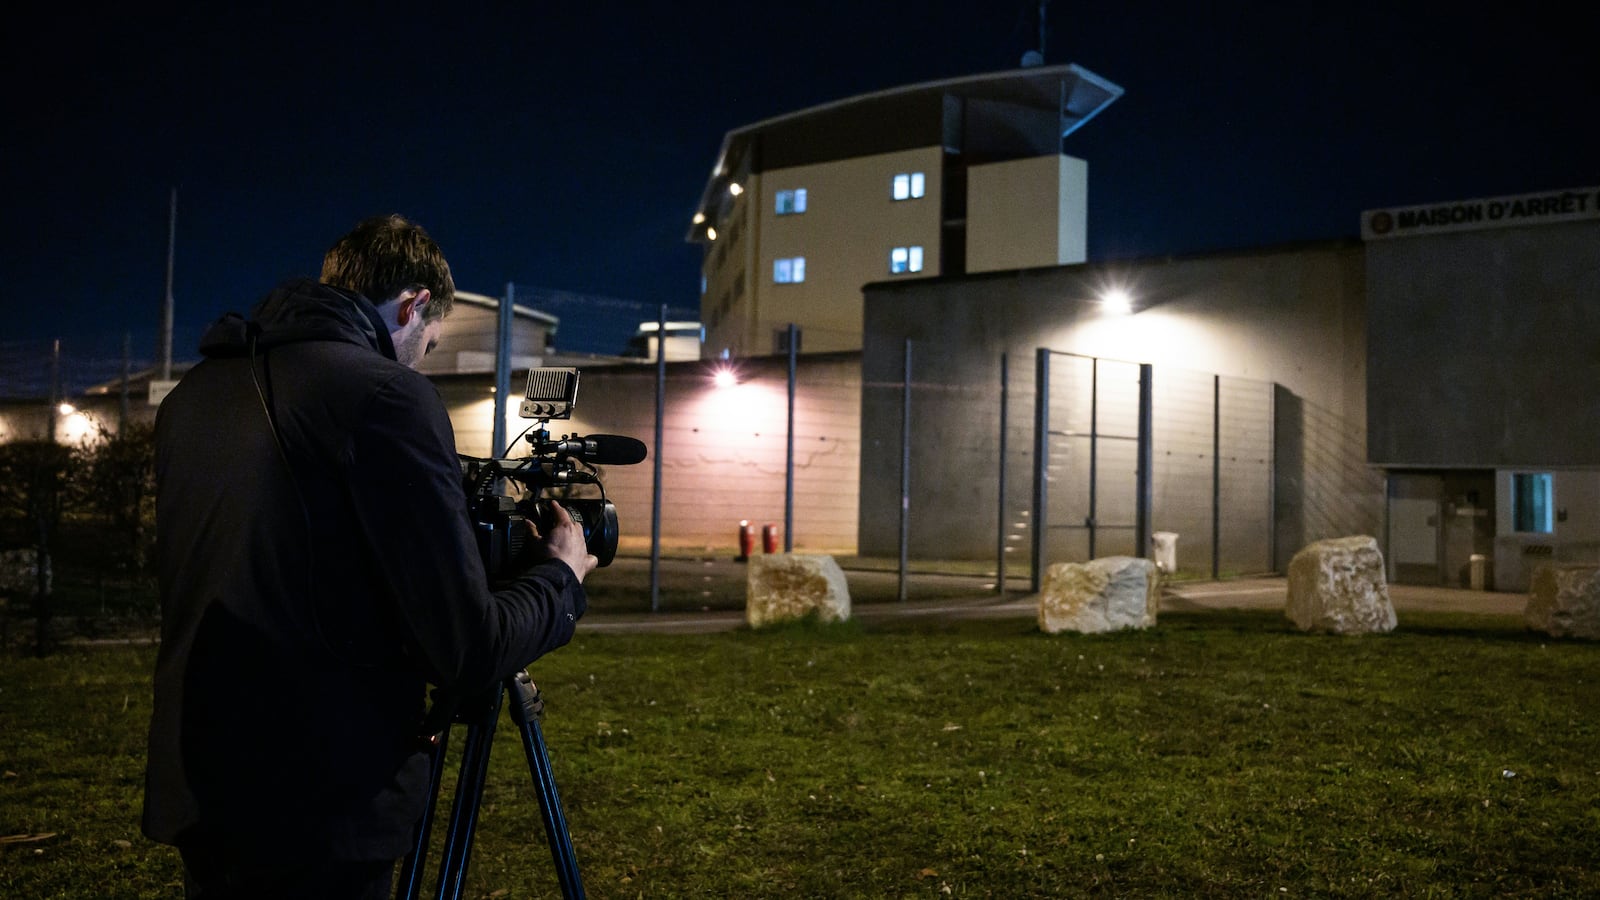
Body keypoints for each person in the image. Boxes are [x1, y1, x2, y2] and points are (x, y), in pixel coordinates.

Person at [142, 214, 596, 899]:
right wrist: (560, 576)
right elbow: (467, 648)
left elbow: (287, 563)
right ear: (414, 305)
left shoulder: (194, 396)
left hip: (201, 779)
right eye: (430, 342)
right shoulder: (384, 394)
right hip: (320, 802)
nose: (419, 360)